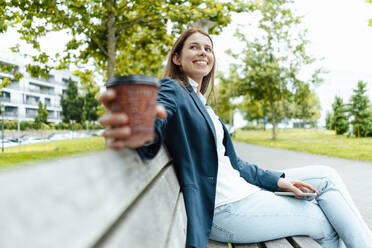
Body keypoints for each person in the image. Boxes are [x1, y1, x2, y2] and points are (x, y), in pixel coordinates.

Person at [98, 29, 372, 248]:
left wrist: (277, 180)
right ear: (177, 58)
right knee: (324, 222)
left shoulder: (201, 103)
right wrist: (137, 124)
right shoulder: (173, 89)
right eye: (194, 47)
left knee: (326, 176)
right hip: (225, 209)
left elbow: (234, 164)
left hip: (240, 193)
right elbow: (155, 123)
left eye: (208, 48)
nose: (203, 52)